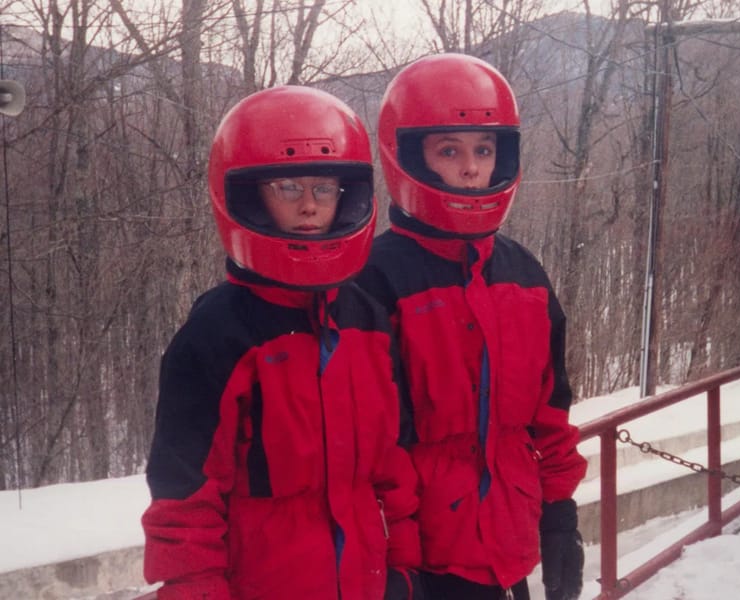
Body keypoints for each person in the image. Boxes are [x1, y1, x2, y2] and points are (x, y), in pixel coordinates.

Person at [141, 86, 422, 600]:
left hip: (366, 582)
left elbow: (391, 468)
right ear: (251, 196)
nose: (311, 206)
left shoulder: (368, 319)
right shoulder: (218, 333)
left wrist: (404, 572)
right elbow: (185, 500)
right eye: (288, 187)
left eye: (326, 187)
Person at [356, 53, 588, 600]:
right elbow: (365, 444)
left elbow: (550, 411)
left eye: (483, 150)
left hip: (505, 552)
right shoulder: (372, 278)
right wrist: (390, 559)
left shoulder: (523, 273)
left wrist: (559, 515)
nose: (469, 168)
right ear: (409, 155)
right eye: (449, 150)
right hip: (419, 561)